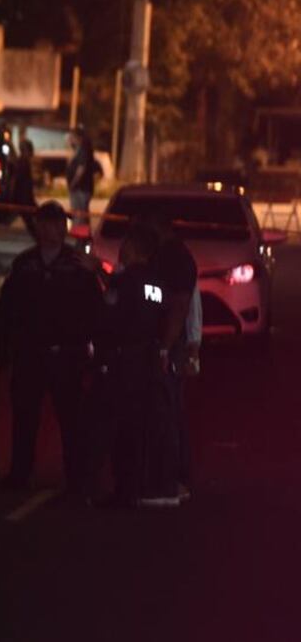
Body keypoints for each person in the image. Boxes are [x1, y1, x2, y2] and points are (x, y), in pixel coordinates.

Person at [0, 201, 103, 493]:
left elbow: (94, 308)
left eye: (55, 224)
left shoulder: (77, 265)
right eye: (43, 224)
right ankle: (20, 473)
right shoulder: (25, 264)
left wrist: (91, 350)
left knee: (71, 420)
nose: (49, 230)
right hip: (30, 353)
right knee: (24, 418)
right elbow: (8, 306)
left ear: (63, 228)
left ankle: (76, 477)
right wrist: (4, 347)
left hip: (66, 354)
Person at [85, 224, 177, 506]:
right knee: (139, 426)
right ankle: (138, 486)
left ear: (135, 249)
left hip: (121, 361)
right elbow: (163, 316)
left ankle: (118, 489)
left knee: (114, 427)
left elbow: (108, 317)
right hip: (147, 361)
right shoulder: (158, 284)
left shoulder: (123, 282)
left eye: (125, 246)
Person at [142, 212, 199, 501]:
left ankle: (171, 481)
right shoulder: (173, 255)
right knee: (170, 411)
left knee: (166, 413)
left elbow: (180, 306)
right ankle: (176, 478)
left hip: (168, 346)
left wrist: (166, 347)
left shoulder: (173, 258)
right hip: (169, 344)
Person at [65, 128, 100, 228]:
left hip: (81, 188)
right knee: (81, 214)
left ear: (78, 138)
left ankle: (79, 237)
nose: (69, 140)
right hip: (79, 188)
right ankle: (82, 237)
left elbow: (81, 169)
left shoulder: (83, 151)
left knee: (79, 215)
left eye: (71, 137)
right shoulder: (79, 151)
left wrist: (73, 183)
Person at [11, 138, 38, 238]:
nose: (32, 152)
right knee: (32, 223)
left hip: (25, 199)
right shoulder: (23, 163)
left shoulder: (22, 162)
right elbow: (20, 182)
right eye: (31, 149)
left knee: (33, 223)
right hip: (24, 199)